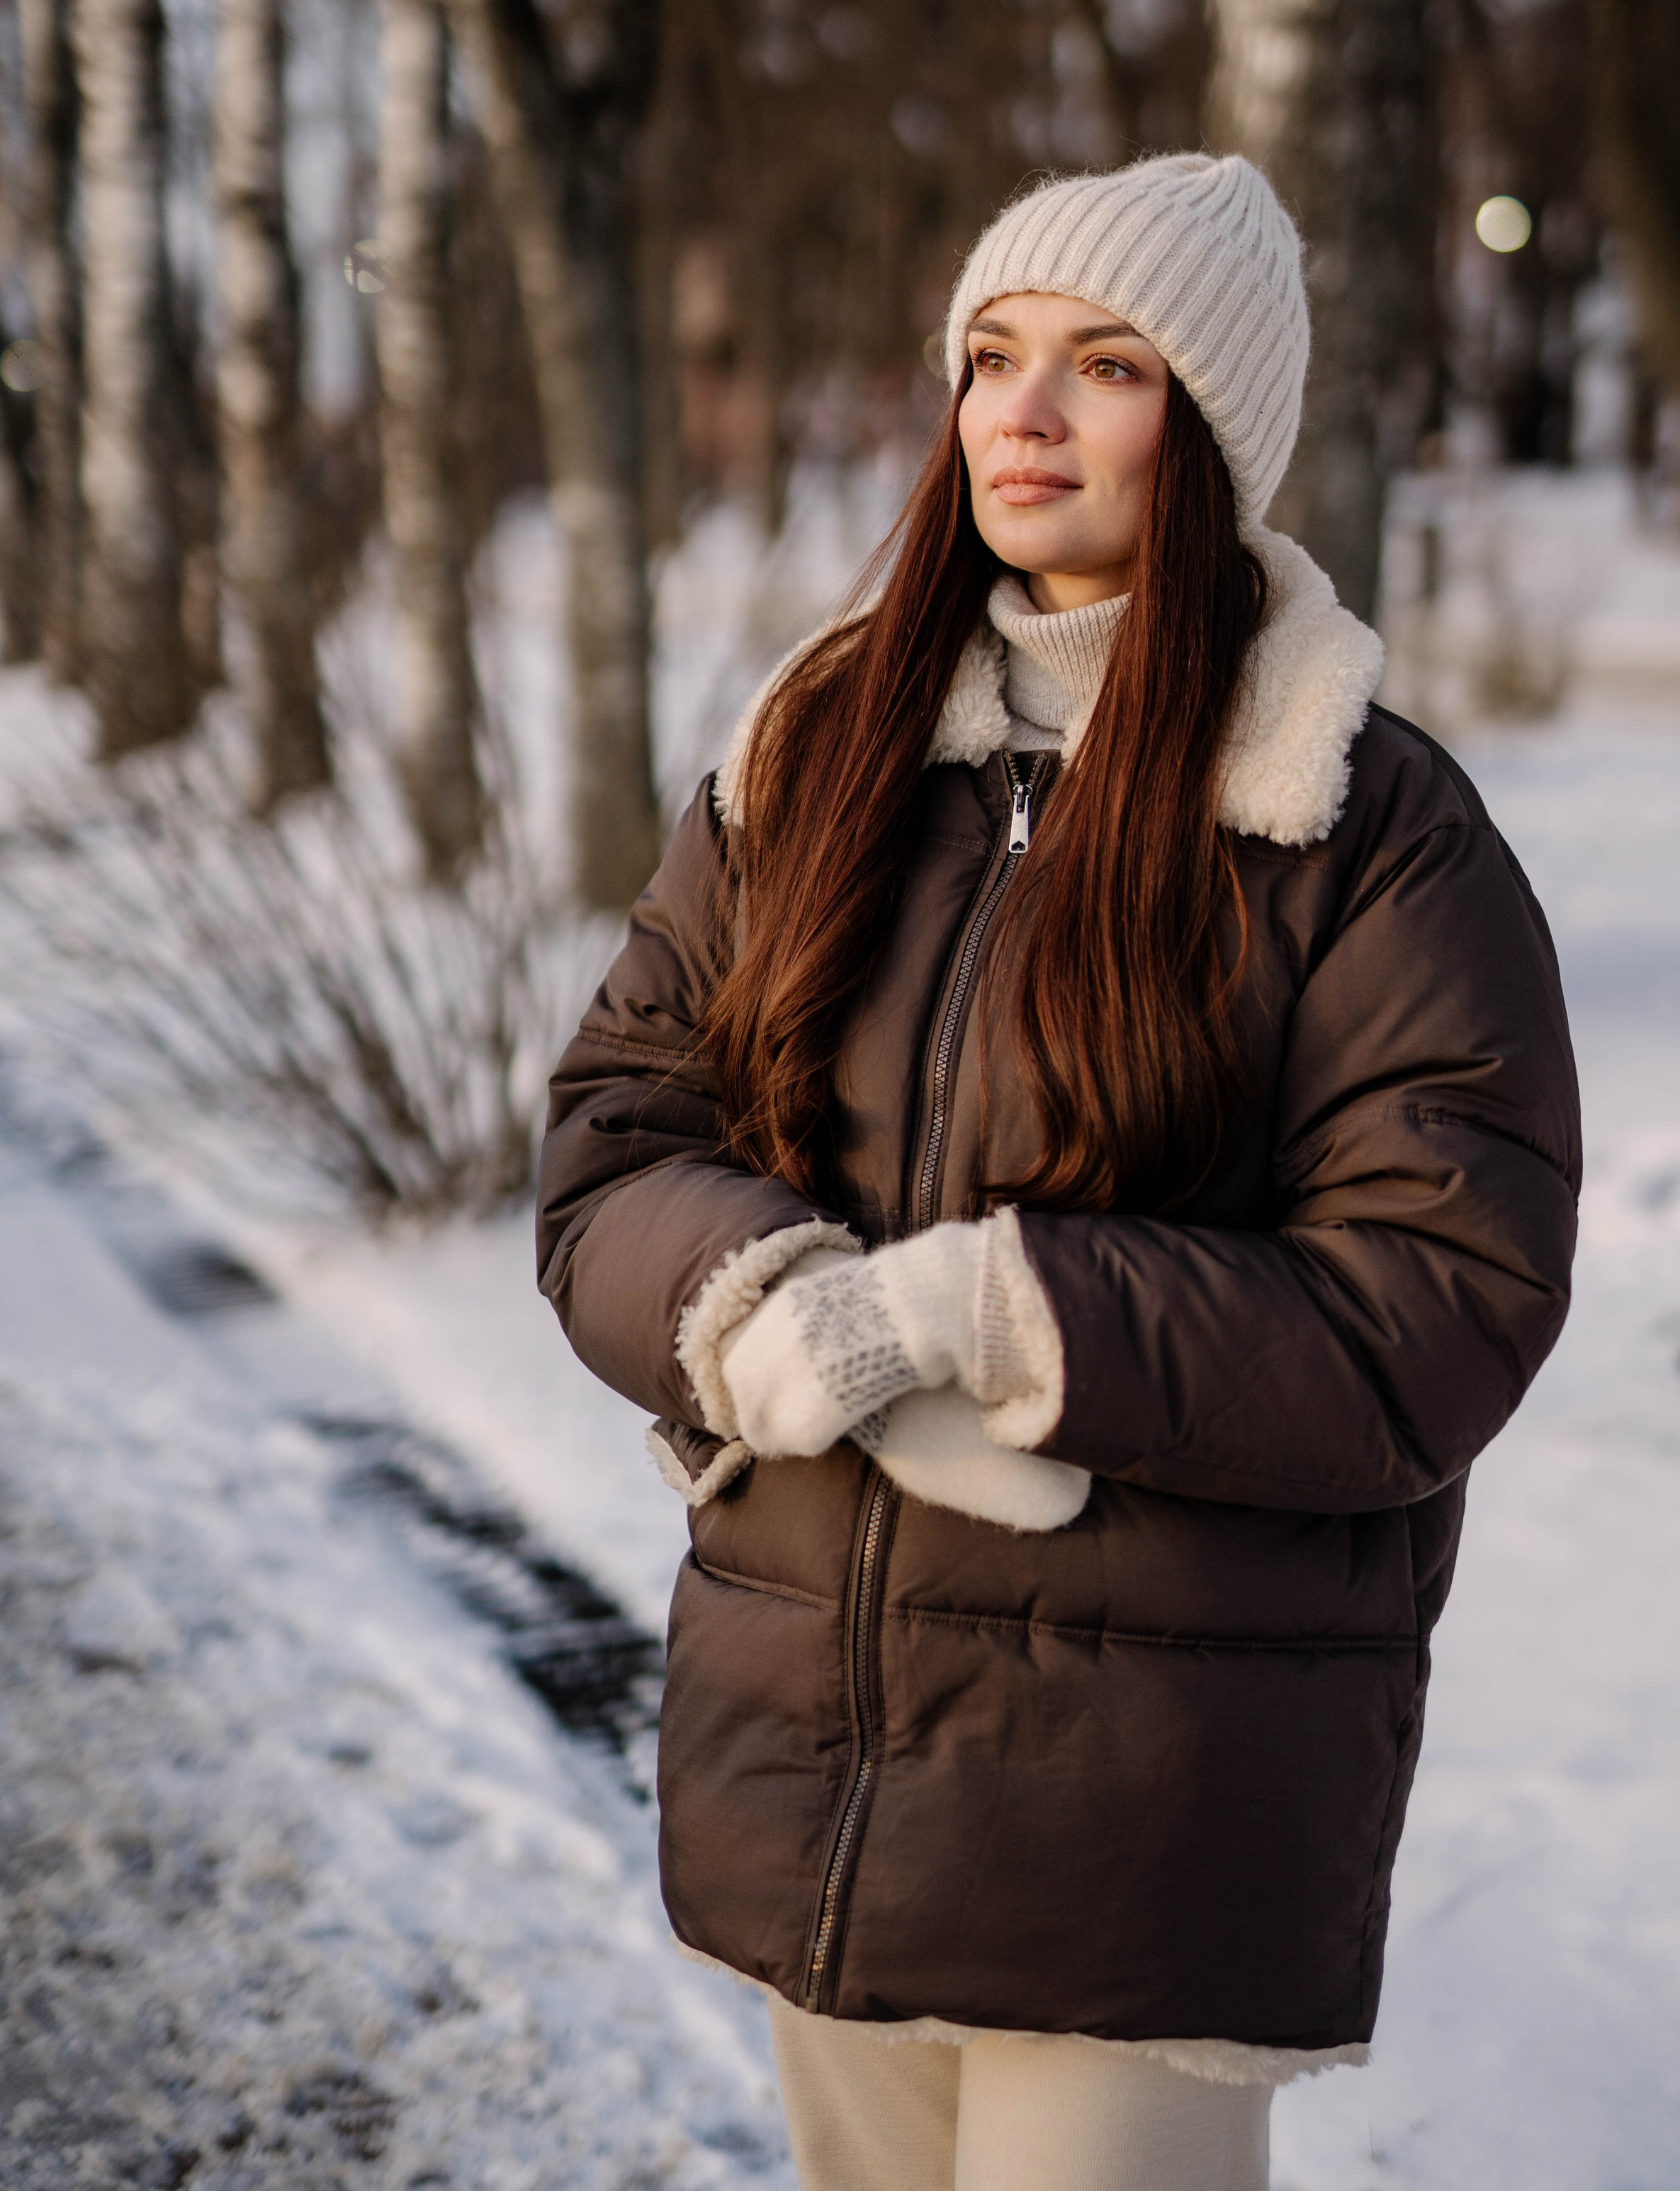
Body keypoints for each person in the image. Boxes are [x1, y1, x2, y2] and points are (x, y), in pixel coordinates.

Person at [537, 153, 1580, 2191]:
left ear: (1207, 435)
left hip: (1146, 1798)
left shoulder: (1363, 825)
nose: (1021, 413)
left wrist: (980, 1318)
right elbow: (616, 1150)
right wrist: (747, 1309)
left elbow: (1430, 1310)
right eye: (991, 358)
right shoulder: (813, 754)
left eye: (1104, 366)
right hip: (820, 1744)